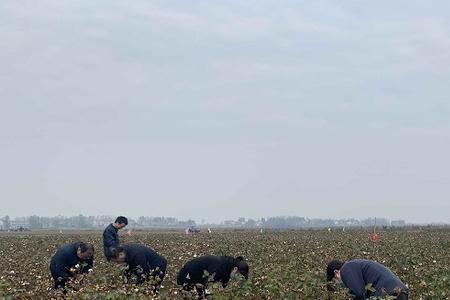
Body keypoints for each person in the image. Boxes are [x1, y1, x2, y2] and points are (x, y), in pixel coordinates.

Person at [326, 259, 409, 300]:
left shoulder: (346, 269)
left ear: (336, 272)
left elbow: (359, 293)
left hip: (387, 293)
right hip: (400, 290)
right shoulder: (355, 265)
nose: (338, 283)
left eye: (335, 279)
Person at [177, 255, 249, 297]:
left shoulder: (229, 266)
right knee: (189, 293)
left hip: (201, 276)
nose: (238, 277)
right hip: (189, 272)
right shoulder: (219, 268)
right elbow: (208, 286)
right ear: (235, 269)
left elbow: (224, 283)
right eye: (238, 274)